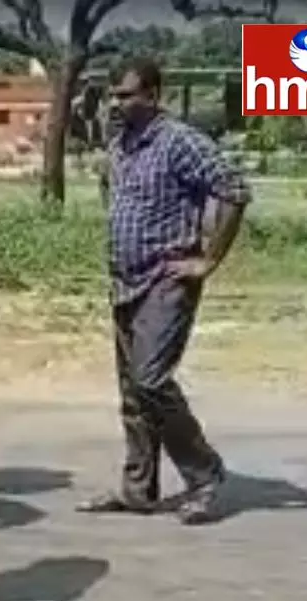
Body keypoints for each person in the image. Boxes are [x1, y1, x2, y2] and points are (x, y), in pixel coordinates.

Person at [78, 57, 248, 526]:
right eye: (113, 95)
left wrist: (208, 259)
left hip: (165, 280)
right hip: (124, 282)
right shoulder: (121, 144)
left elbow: (234, 189)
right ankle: (138, 488)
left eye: (127, 95)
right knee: (133, 392)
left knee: (152, 381)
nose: (117, 103)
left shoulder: (181, 142)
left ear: (153, 95)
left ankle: (205, 473)